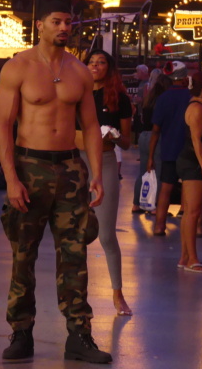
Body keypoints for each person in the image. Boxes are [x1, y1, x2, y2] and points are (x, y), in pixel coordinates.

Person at [0, 0, 111, 364]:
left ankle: (79, 335)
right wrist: (11, 178)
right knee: (23, 253)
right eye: (56, 21)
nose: (64, 28)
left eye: (69, 22)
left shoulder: (80, 71)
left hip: (70, 170)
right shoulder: (18, 68)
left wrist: (96, 174)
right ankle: (21, 332)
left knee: (75, 254)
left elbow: (90, 126)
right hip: (30, 167)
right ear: (39, 24)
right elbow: (2, 125)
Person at [77, 50, 133, 315]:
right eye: (91, 62)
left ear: (109, 69)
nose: (95, 66)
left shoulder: (118, 99)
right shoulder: (77, 94)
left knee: (107, 234)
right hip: (76, 162)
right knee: (73, 232)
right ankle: (75, 292)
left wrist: (113, 136)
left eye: (101, 63)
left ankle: (117, 292)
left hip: (106, 160)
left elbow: (127, 141)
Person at [175, 71, 202, 273]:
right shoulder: (197, 109)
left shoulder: (199, 107)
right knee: (193, 212)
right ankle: (192, 258)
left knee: (189, 213)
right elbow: (196, 140)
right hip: (192, 163)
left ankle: (185, 257)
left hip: (191, 162)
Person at [147, 60, 192, 236]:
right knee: (190, 190)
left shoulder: (163, 98)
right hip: (189, 151)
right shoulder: (191, 97)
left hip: (169, 150)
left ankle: (159, 225)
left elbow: (156, 130)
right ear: (183, 78)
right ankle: (191, 224)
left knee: (165, 188)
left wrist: (151, 156)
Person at [132, 70, 168, 213]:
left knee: (143, 172)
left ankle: (136, 204)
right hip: (156, 137)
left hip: (143, 136)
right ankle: (154, 206)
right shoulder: (163, 102)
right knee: (158, 172)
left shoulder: (149, 99)